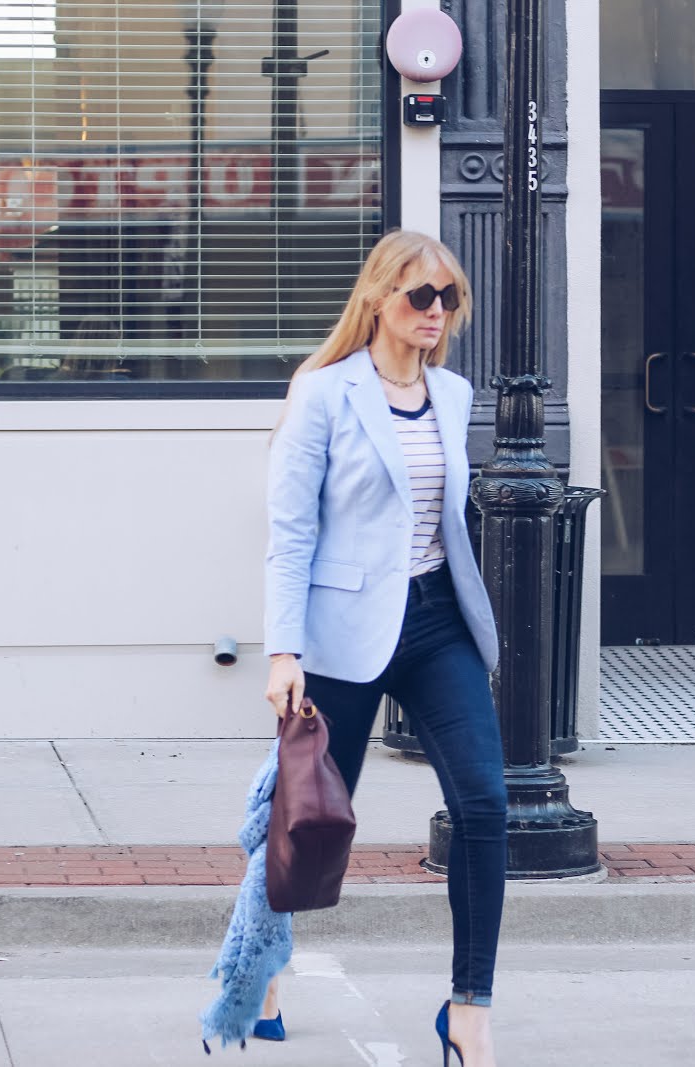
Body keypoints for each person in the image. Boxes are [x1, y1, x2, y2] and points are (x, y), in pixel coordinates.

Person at [262, 229, 507, 1066]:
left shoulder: (457, 394)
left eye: (448, 298)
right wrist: (282, 651)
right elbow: (291, 533)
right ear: (379, 299)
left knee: (484, 806)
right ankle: (264, 965)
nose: (436, 312)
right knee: (308, 820)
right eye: (419, 296)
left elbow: (439, 519)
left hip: (436, 620)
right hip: (340, 633)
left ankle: (469, 1009)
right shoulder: (324, 393)